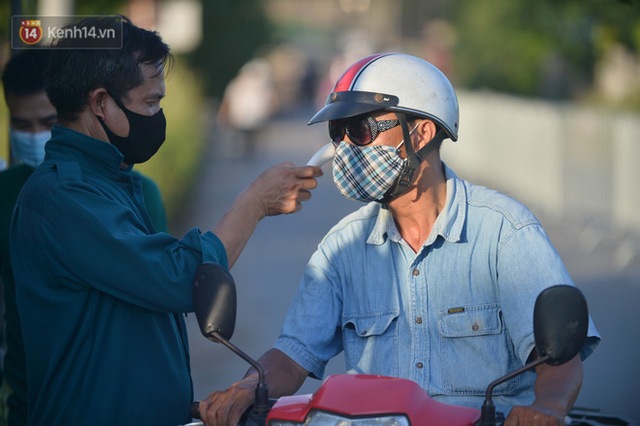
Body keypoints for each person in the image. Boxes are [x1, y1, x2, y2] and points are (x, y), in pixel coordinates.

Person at [199, 53, 601, 426]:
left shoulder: (505, 232)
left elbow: (559, 357)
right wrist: (248, 386)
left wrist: (546, 408)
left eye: (359, 130)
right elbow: (293, 353)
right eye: (337, 132)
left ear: (422, 132)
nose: (342, 148)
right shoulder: (341, 248)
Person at [9, 16, 321, 426]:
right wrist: (254, 203)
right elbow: (181, 278)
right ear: (101, 103)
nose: (157, 116)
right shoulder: (63, 198)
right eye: (150, 103)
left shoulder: (111, 182)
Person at [0, 48, 171, 426]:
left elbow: (165, 285)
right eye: (21, 124)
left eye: (46, 121)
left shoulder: (136, 192)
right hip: (38, 400)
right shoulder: (18, 194)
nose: (34, 136)